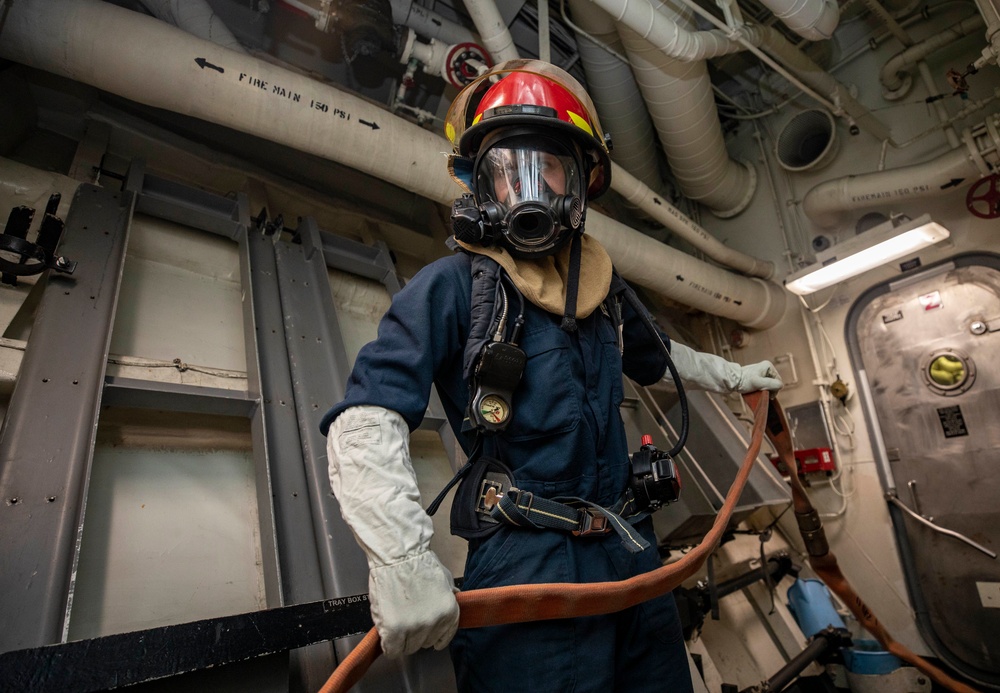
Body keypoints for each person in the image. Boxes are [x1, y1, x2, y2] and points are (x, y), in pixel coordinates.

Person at [321, 59, 783, 692]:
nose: (528, 192)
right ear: (480, 188)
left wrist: (737, 377)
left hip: (630, 552)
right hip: (525, 566)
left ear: (579, 188)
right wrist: (401, 557)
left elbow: (664, 360)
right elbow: (368, 414)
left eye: (549, 169)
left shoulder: (602, 293)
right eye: (508, 174)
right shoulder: (453, 287)